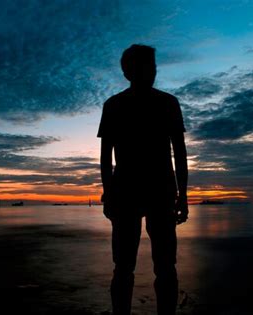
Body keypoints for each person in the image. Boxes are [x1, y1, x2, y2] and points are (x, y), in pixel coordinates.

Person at [97, 44, 189, 315]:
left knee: (163, 266)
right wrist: (108, 193)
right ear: (128, 72)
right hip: (129, 191)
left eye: (152, 66)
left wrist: (183, 195)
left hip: (158, 191)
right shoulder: (114, 105)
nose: (151, 72)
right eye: (145, 66)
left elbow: (180, 153)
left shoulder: (167, 103)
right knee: (125, 266)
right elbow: (105, 156)